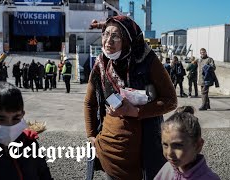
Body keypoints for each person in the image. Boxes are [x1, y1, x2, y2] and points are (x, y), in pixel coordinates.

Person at [84, 16, 177, 180]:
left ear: (127, 40)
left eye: (116, 36)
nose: (108, 41)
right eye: (106, 34)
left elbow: (170, 100)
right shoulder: (101, 63)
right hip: (110, 154)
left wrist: (136, 111)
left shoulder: (147, 61)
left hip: (145, 155)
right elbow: (90, 103)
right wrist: (91, 135)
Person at [154, 106, 220, 180]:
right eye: (165, 145)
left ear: (198, 146)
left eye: (178, 146)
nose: (169, 153)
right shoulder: (168, 169)